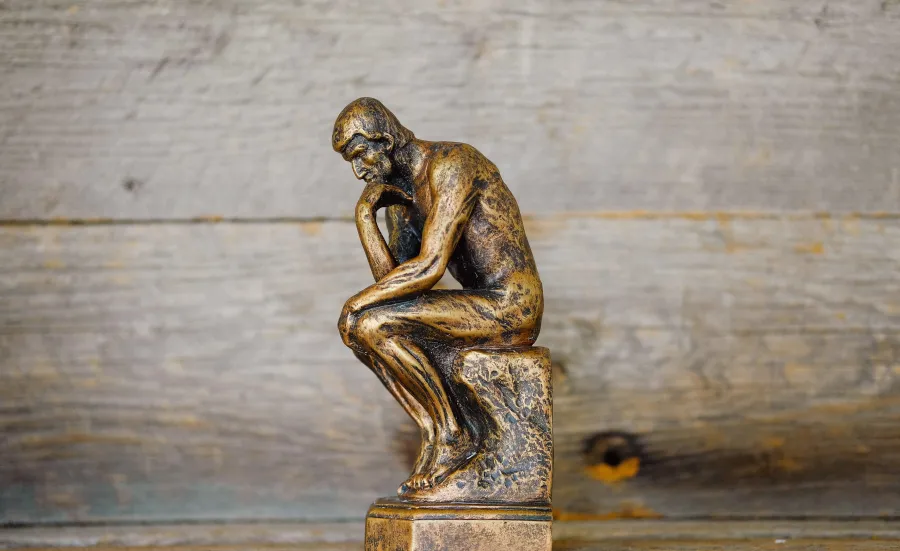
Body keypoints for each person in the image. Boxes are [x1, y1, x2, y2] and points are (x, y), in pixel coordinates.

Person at [333, 97, 544, 494]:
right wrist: (365, 219)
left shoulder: (452, 164)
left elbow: (429, 268)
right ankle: (436, 431)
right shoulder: (400, 197)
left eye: (362, 155)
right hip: (477, 304)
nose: (360, 170)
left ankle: (453, 435)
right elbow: (394, 284)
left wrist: (355, 302)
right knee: (358, 329)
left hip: (510, 304)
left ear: (387, 139)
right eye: (351, 162)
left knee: (368, 318)